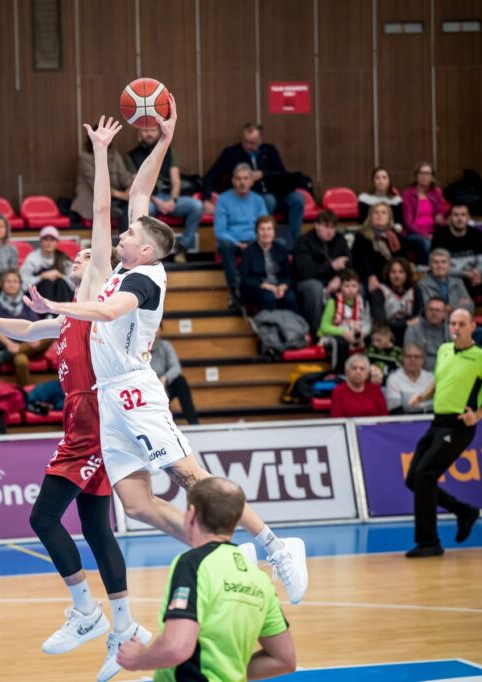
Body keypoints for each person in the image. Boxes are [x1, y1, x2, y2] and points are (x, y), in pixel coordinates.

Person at [24, 98, 308, 623]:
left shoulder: (144, 278)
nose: (125, 233)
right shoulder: (123, 264)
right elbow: (134, 193)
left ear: (147, 250)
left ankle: (275, 544)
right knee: (137, 506)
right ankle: (228, 554)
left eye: (132, 234)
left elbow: (108, 312)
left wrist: (57, 306)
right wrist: (151, 142)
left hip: (133, 390)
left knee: (190, 477)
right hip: (107, 400)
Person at [0, 117, 142, 682]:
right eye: (78, 257)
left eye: (86, 256)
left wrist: (100, 152)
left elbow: (101, 214)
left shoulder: (99, 287)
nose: (80, 257)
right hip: (86, 420)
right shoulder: (67, 317)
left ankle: (86, 612)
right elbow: (24, 329)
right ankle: (124, 628)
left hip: (94, 420)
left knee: (42, 517)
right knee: (97, 528)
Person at [117, 477, 296, 682]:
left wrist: (139, 658)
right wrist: (228, 672)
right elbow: (284, 660)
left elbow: (177, 647)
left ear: (191, 514)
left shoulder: (193, 564)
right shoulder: (259, 578)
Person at [404, 308, 482, 557]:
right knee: (413, 479)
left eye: (461, 324)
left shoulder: (480, 356)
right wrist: (423, 395)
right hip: (438, 422)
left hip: (460, 425)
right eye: (453, 323)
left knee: (425, 474)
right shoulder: (444, 350)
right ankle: (464, 511)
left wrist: (478, 415)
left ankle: (429, 542)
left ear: (472, 327)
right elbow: (440, 380)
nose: (456, 328)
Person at [201, 122, 305, 240]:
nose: (247, 146)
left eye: (252, 143)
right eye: (245, 142)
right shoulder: (231, 153)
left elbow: (282, 174)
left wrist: (263, 174)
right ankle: (264, 240)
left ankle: (295, 240)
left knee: (297, 198)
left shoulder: (270, 150)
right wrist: (207, 199)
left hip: (277, 193)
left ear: (261, 140)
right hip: (252, 197)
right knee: (268, 200)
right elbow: (209, 177)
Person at [126, 124, 203, 261]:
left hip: (169, 196)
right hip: (149, 199)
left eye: (152, 130)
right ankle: (148, 253)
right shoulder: (131, 156)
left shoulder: (169, 151)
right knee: (143, 213)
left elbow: (176, 180)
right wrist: (158, 202)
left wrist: (173, 200)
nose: (149, 133)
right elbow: (137, 185)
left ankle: (183, 248)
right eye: (145, 130)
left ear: (158, 131)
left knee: (196, 206)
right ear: (139, 132)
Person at [432, 203, 482, 325]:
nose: (459, 219)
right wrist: (464, 273)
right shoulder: (439, 237)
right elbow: (437, 267)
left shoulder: (477, 235)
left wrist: (477, 272)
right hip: (451, 278)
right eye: (456, 215)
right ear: (449, 218)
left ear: (468, 218)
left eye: (463, 215)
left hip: (473, 277)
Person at [214, 164, 270, 309]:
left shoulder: (258, 200)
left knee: (266, 244)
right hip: (232, 242)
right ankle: (235, 292)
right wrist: (237, 243)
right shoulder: (223, 199)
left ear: (251, 181)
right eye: (238, 179)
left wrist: (256, 241)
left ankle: (258, 292)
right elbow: (219, 231)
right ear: (233, 181)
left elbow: (264, 224)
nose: (242, 182)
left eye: (245, 178)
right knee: (224, 245)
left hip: (254, 240)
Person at [0, 271, 53, 386]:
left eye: (15, 281)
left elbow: (35, 323)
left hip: (31, 342)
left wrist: (33, 338)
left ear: (19, 284)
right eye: (8, 281)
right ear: (2, 285)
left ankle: (11, 353)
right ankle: (27, 391)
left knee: (52, 332)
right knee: (21, 361)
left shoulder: (26, 301)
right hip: (11, 346)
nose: (12, 284)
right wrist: (9, 344)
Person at [292, 210, 351, 333]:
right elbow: (305, 271)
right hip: (307, 281)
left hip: (334, 279)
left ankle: (351, 329)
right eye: (326, 227)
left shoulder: (340, 239)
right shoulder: (304, 241)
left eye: (333, 227)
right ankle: (316, 332)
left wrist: (340, 278)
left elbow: (349, 264)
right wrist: (331, 266)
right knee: (315, 288)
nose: (329, 231)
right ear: (316, 225)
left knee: (355, 286)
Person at [238, 215, 297, 314]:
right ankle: (269, 323)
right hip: (258, 288)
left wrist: (283, 286)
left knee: (290, 297)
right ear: (257, 232)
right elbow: (245, 279)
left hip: (278, 285)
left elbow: (289, 275)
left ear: (274, 232)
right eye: (262, 229)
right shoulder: (248, 251)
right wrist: (266, 286)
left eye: (269, 229)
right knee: (268, 297)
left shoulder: (281, 249)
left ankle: (291, 323)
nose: (266, 233)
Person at [72, 133, 133, 227]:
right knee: (123, 211)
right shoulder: (85, 158)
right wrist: (123, 195)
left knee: (133, 207)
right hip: (94, 201)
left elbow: (124, 177)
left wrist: (130, 187)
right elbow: (98, 186)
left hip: (117, 199)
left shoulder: (114, 155)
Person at [317, 270, 371, 370]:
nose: (351, 289)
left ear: (358, 287)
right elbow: (324, 326)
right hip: (336, 334)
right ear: (340, 287)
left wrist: (362, 333)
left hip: (356, 333)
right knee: (340, 342)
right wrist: (343, 333)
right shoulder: (333, 302)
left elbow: (367, 323)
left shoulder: (363, 302)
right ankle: (338, 371)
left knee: (372, 339)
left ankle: (366, 371)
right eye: (347, 286)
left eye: (354, 286)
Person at [351, 202, 404, 296]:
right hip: (369, 276)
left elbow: (402, 259)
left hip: (392, 276)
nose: (379, 215)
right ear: (371, 216)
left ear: (389, 217)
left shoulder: (395, 236)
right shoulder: (362, 235)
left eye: (383, 212)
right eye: (376, 212)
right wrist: (371, 276)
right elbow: (361, 260)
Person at [400, 161, 448, 264]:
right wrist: (425, 235)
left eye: (427, 174)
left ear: (432, 177)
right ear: (416, 176)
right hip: (413, 234)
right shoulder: (408, 194)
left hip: (433, 232)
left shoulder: (436, 192)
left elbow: (441, 216)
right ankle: (424, 269)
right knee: (426, 243)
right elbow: (408, 223)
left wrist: (441, 220)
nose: (424, 176)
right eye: (421, 173)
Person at [150, 328, 200, 425]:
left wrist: (165, 378)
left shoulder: (165, 345)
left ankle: (194, 422)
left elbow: (176, 367)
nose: (154, 330)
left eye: (157, 327)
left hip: (164, 386)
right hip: (147, 387)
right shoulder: (140, 347)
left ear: (160, 330)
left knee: (180, 381)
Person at [370, 257, 423, 347]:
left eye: (401, 272)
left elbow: (418, 317)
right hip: (387, 332)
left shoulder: (415, 290)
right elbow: (381, 321)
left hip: (409, 332)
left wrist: (408, 324)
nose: (397, 276)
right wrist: (406, 324)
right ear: (388, 273)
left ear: (407, 274)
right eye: (393, 272)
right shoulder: (379, 292)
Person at [20, 226, 76, 305]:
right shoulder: (31, 259)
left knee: (61, 282)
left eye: (52, 239)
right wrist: (41, 277)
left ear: (57, 242)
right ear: (40, 241)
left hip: (62, 293)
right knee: (46, 283)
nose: (49, 243)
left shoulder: (63, 258)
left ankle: (63, 310)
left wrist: (60, 276)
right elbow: (23, 284)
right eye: (46, 239)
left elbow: (74, 284)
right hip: (40, 295)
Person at [417, 249, 475, 314]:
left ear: (449, 265)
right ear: (430, 265)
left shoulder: (458, 282)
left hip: (458, 319)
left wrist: (451, 307)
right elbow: (430, 310)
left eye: (443, 262)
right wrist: (458, 305)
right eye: (435, 262)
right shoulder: (422, 285)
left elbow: (470, 307)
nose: (440, 266)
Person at [384, 343, 434, 413]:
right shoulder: (393, 379)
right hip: (405, 418)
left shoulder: (431, 378)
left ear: (423, 360)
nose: (412, 360)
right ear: (402, 359)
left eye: (417, 357)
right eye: (408, 356)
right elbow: (395, 410)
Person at [404, 297, 451, 371]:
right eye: (431, 310)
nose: (434, 313)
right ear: (425, 311)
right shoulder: (413, 329)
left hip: (447, 369)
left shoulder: (451, 330)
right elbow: (409, 354)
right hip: (421, 370)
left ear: (444, 314)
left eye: (437, 310)